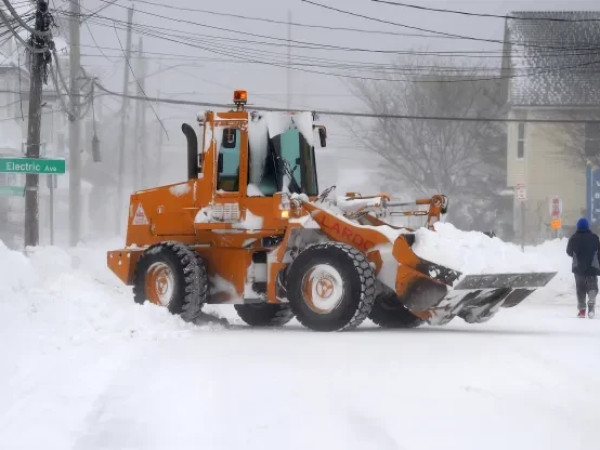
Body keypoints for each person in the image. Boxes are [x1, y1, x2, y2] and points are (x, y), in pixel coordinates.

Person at [566, 217, 600, 318]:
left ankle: (582, 311)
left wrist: (576, 256)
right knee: (592, 286)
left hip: (579, 267)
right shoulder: (594, 238)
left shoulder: (574, 238)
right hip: (592, 267)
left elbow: (568, 251)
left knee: (580, 288)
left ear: (578, 227)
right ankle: (591, 304)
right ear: (587, 227)